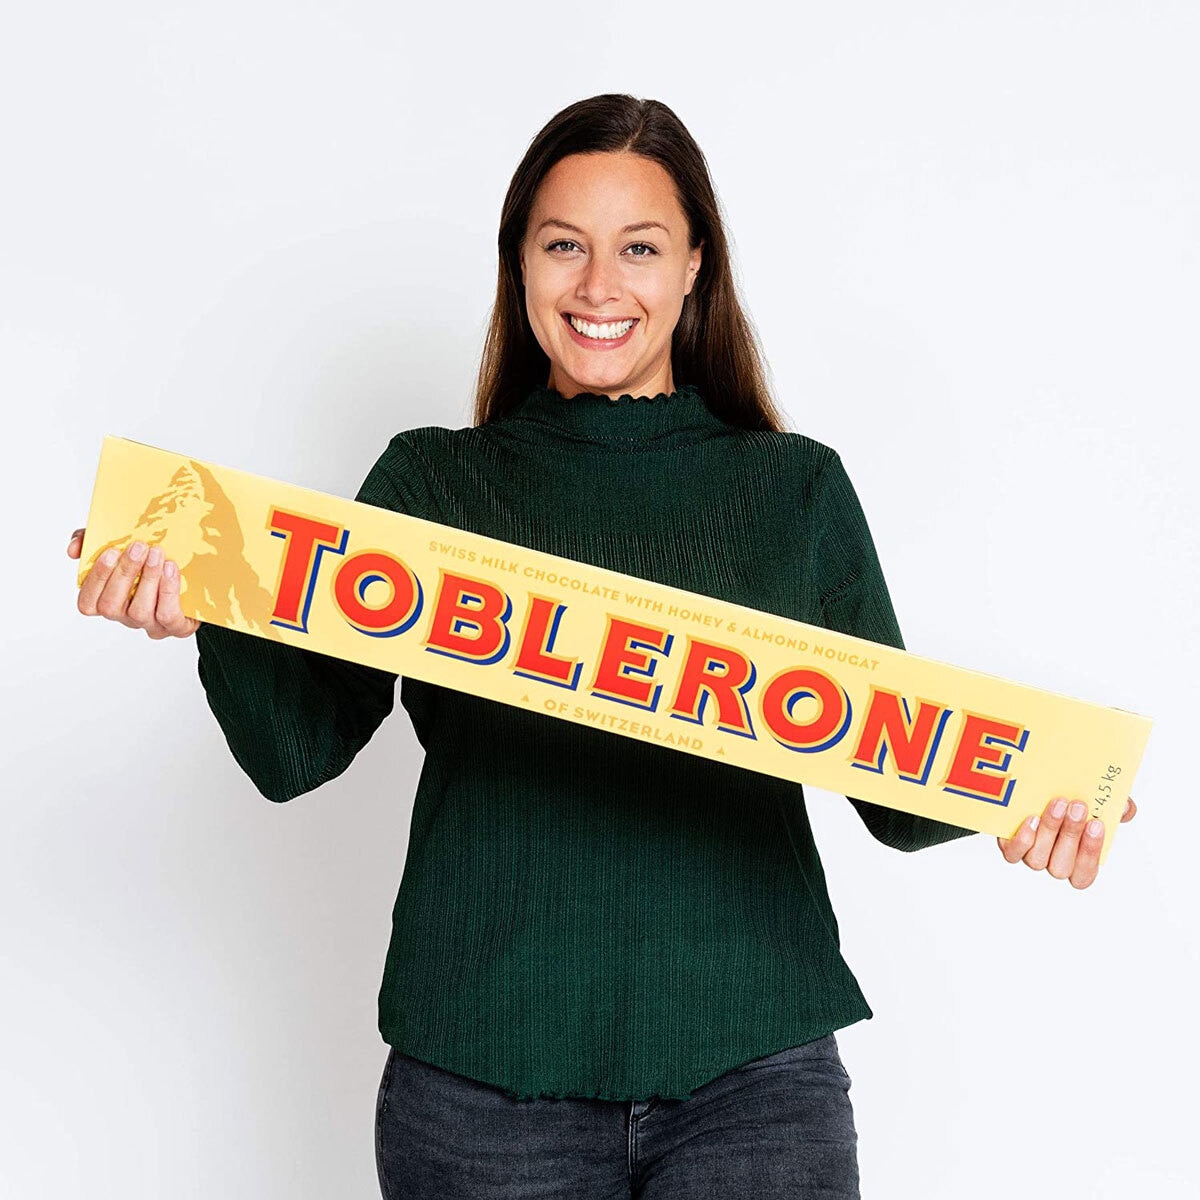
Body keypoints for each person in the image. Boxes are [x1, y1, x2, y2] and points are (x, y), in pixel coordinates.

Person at [68, 93, 1137, 1199]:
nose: (598, 286)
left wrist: (1034, 794)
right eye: (563, 246)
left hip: (754, 1084)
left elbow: (897, 788)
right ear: (518, 264)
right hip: (478, 1089)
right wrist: (205, 615)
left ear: (693, 270)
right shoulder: (435, 482)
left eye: (639, 248)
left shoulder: (790, 488)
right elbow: (298, 749)